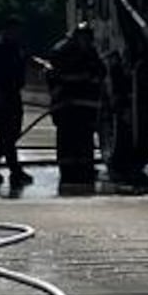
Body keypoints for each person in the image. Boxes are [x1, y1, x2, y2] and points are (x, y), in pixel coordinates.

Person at [45, 18, 107, 189]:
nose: (87, 42)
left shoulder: (90, 52)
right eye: (85, 38)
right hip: (66, 106)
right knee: (67, 139)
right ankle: (68, 170)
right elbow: (53, 76)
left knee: (85, 140)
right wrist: (78, 79)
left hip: (85, 107)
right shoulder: (61, 51)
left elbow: (101, 72)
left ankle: (85, 169)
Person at [0, 21, 37, 189]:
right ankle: (15, 170)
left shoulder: (15, 44)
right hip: (1, 93)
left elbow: (26, 58)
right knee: (7, 133)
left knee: (13, 132)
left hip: (14, 92)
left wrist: (41, 64)